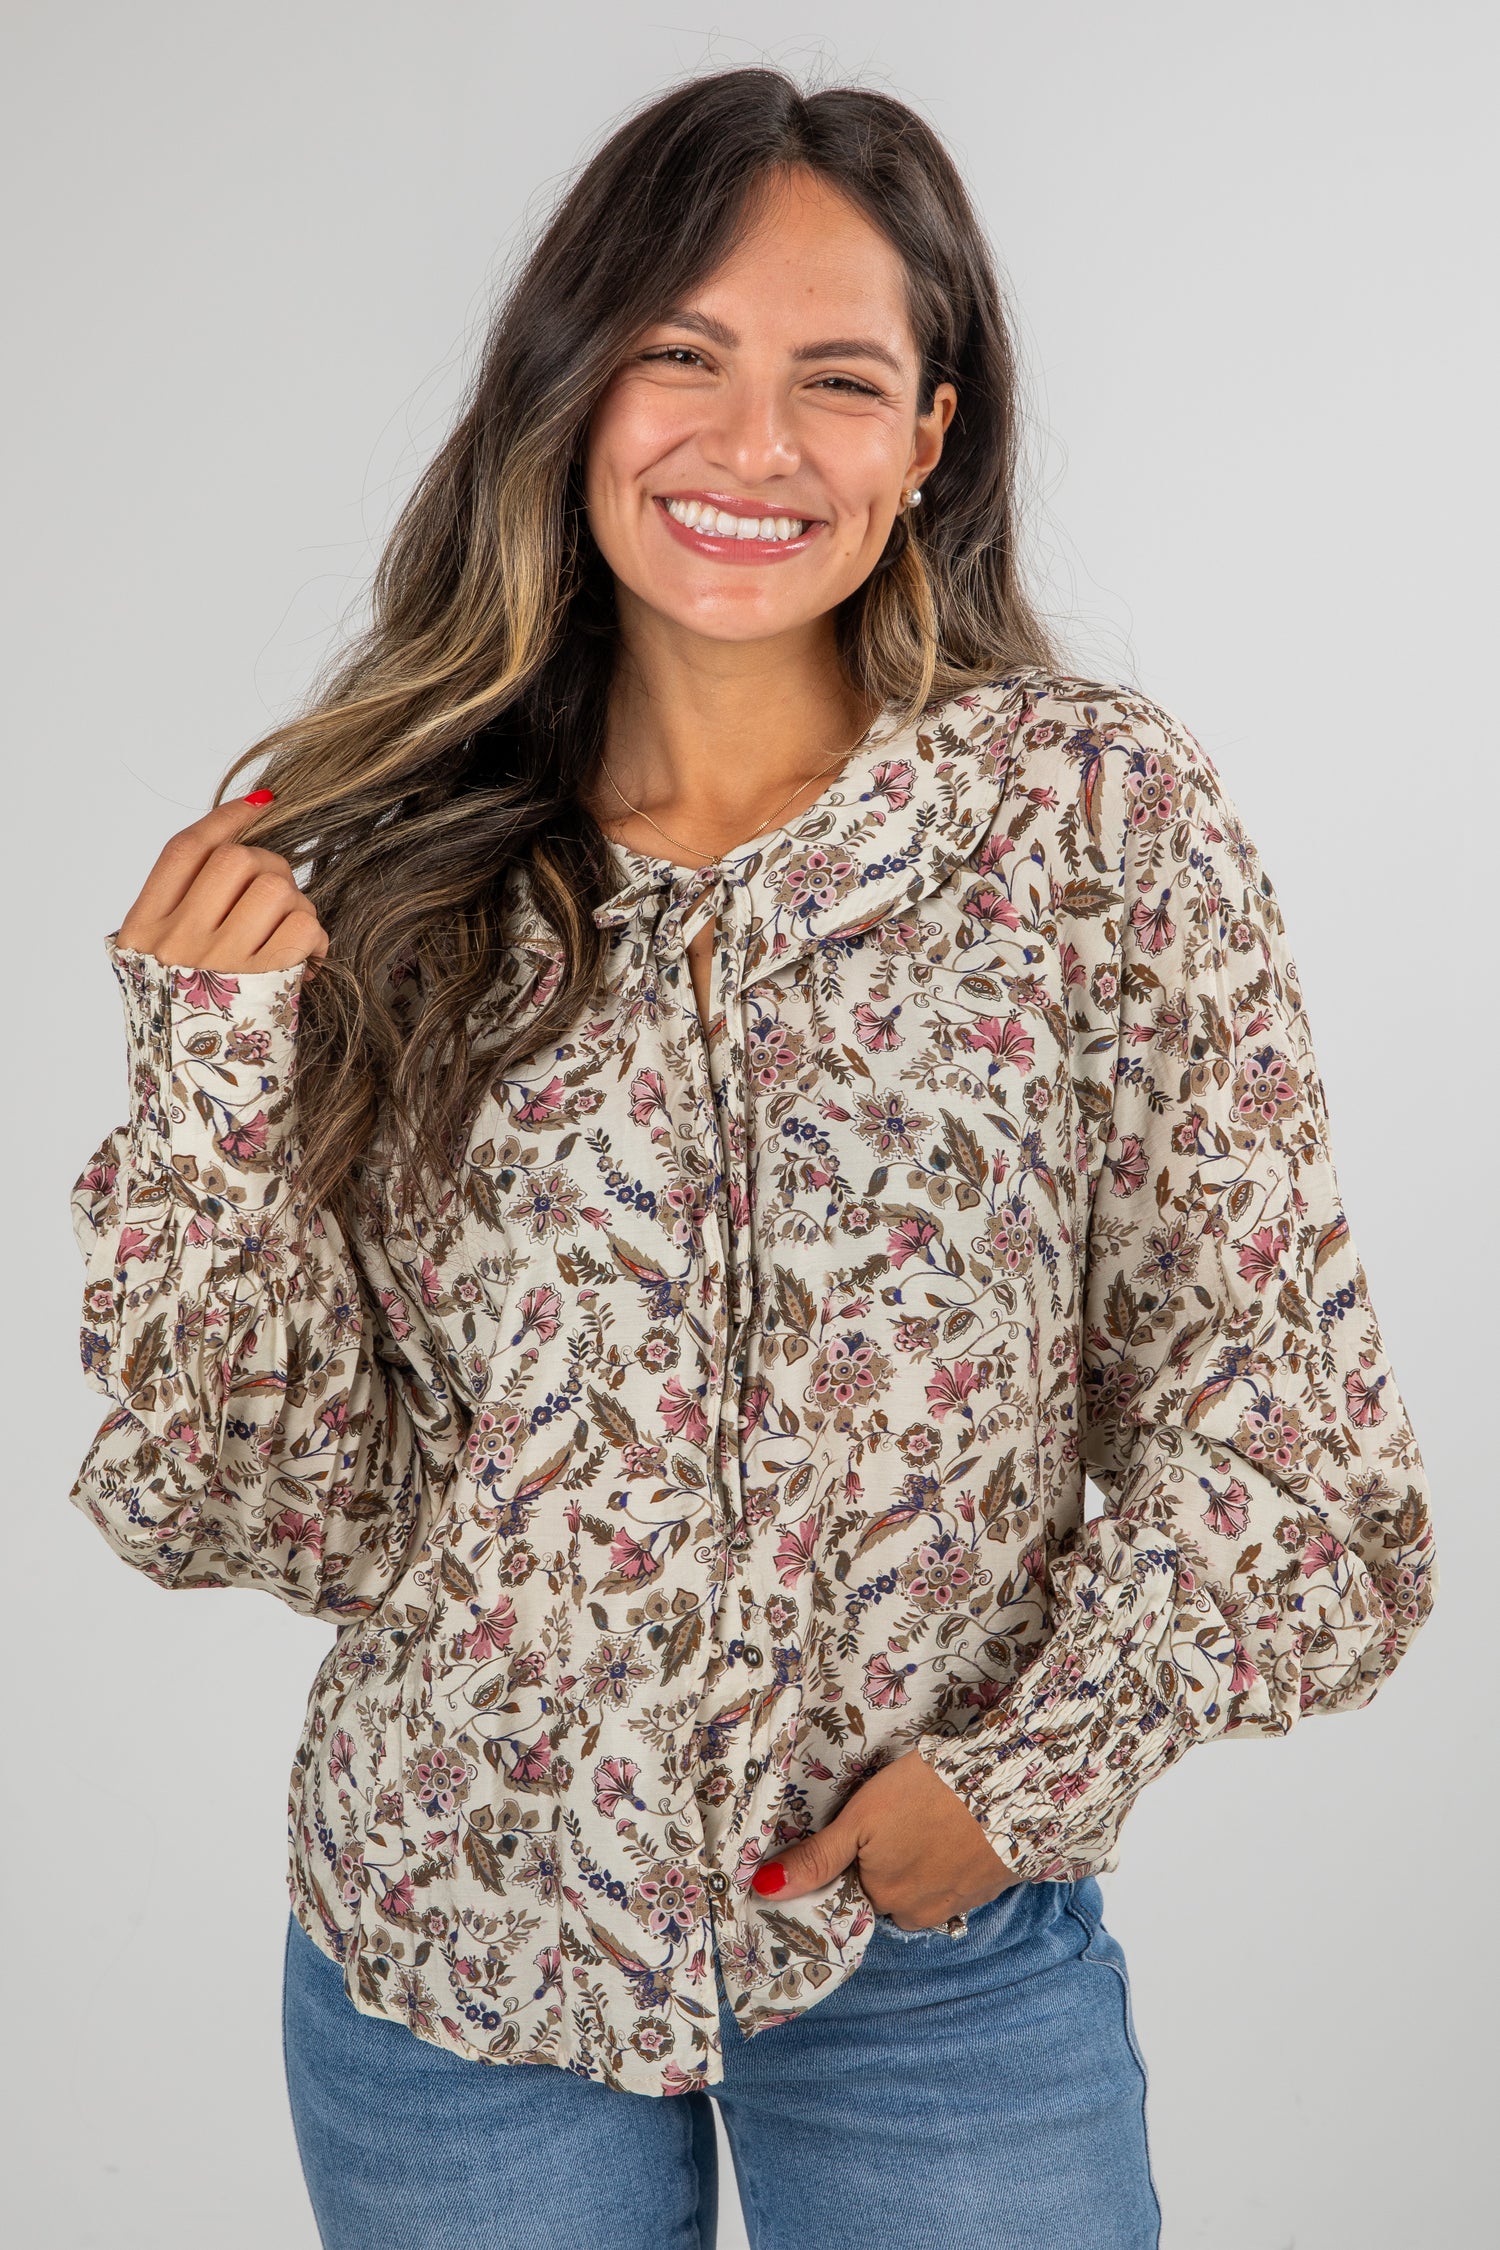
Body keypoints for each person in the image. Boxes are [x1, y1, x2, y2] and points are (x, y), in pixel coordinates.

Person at [68, 65, 1437, 2250]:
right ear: (572, 392)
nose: (750, 442)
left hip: (934, 1976)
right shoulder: (395, 875)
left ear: (932, 437)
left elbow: (1290, 1430)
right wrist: (210, 1094)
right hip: (452, 1955)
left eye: (836, 376)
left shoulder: (1087, 828)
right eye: (678, 356)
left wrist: (1020, 1781)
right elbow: (283, 1515)